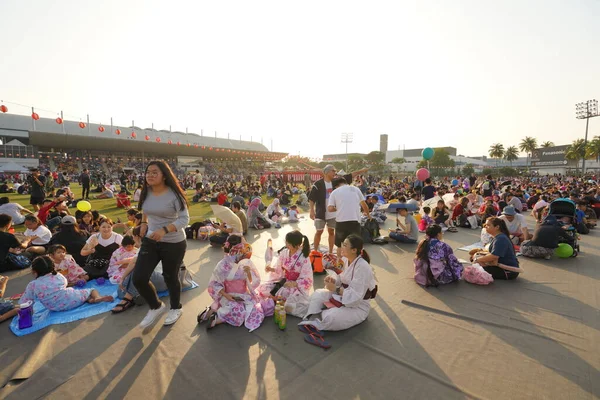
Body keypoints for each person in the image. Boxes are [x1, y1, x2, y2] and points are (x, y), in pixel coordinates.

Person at [132, 160, 190, 328]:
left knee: (170, 277)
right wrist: (144, 223)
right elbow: (145, 209)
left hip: (174, 243)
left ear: (164, 175)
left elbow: (184, 219)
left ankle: (176, 307)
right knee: (139, 278)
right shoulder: (146, 191)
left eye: (154, 172)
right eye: (148, 172)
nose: (149, 175)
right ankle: (156, 306)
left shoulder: (174, 195)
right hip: (151, 240)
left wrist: (165, 230)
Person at [299, 234, 377, 332]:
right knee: (317, 294)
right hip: (342, 295)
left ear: (354, 250)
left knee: (332, 318)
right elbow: (341, 278)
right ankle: (314, 315)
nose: (341, 247)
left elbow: (355, 298)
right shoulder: (345, 260)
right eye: (342, 244)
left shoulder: (363, 268)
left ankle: (323, 315)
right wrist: (333, 280)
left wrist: (335, 289)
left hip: (358, 306)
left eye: (345, 245)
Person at [198, 236, 266, 332]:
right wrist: (226, 295)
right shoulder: (223, 264)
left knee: (249, 310)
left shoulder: (239, 262)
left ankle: (213, 312)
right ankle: (217, 318)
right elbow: (215, 284)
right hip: (228, 295)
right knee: (243, 311)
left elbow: (251, 281)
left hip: (238, 295)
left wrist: (249, 272)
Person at [20, 256, 113, 311]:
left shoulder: (32, 285)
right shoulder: (58, 276)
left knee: (76, 294)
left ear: (34, 271)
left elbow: (25, 301)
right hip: (70, 300)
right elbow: (65, 285)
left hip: (53, 307)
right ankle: (97, 297)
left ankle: (90, 300)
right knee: (91, 290)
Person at [258, 230, 313, 317]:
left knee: (286, 294)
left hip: (295, 285)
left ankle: (277, 301)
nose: (286, 245)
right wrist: (271, 269)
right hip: (284, 280)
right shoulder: (285, 252)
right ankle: (278, 301)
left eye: (289, 244)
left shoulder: (304, 257)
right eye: (286, 242)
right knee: (263, 287)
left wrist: (294, 283)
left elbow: (307, 278)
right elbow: (279, 268)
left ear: (297, 245)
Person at [328, 177, 370, 258]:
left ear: (336, 186)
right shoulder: (356, 189)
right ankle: (354, 263)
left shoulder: (334, 192)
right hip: (354, 221)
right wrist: (368, 215)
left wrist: (338, 208)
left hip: (341, 222)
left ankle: (340, 265)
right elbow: (364, 205)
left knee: (340, 245)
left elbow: (330, 208)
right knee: (355, 244)